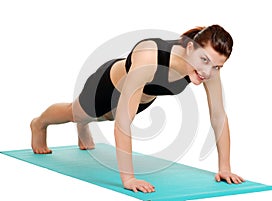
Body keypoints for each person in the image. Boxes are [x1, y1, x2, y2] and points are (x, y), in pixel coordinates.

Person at [30, 24, 245, 193]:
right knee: (76, 113)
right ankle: (39, 124)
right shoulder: (150, 58)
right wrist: (128, 178)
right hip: (106, 87)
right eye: (204, 60)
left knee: (105, 117)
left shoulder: (208, 68)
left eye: (217, 66)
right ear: (190, 47)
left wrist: (224, 167)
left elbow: (218, 115)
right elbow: (123, 123)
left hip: (143, 98)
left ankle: (84, 126)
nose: (208, 72)